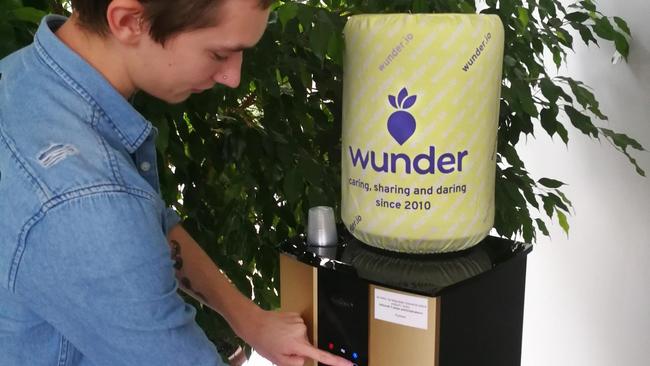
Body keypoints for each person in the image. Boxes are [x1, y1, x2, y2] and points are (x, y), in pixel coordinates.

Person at [0, 1, 353, 366]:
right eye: (219, 53)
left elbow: (147, 222)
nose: (232, 77)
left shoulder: (24, 76)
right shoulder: (90, 203)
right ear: (128, 21)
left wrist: (251, 321)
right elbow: (110, 217)